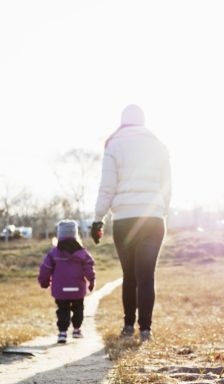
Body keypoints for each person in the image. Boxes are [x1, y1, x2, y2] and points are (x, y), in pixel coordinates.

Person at [91, 104, 171, 342]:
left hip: (124, 220)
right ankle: (145, 330)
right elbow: (168, 185)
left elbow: (107, 187)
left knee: (130, 275)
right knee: (147, 275)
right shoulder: (158, 146)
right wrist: (161, 209)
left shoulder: (114, 145)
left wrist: (98, 219)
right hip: (152, 219)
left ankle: (128, 326)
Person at [38, 219, 96, 344]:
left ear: (59, 235)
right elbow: (88, 268)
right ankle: (76, 329)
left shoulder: (54, 253)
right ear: (75, 235)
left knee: (63, 309)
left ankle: (62, 333)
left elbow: (45, 268)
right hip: (77, 289)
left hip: (61, 289)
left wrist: (44, 282)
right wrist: (91, 281)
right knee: (78, 308)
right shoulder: (82, 253)